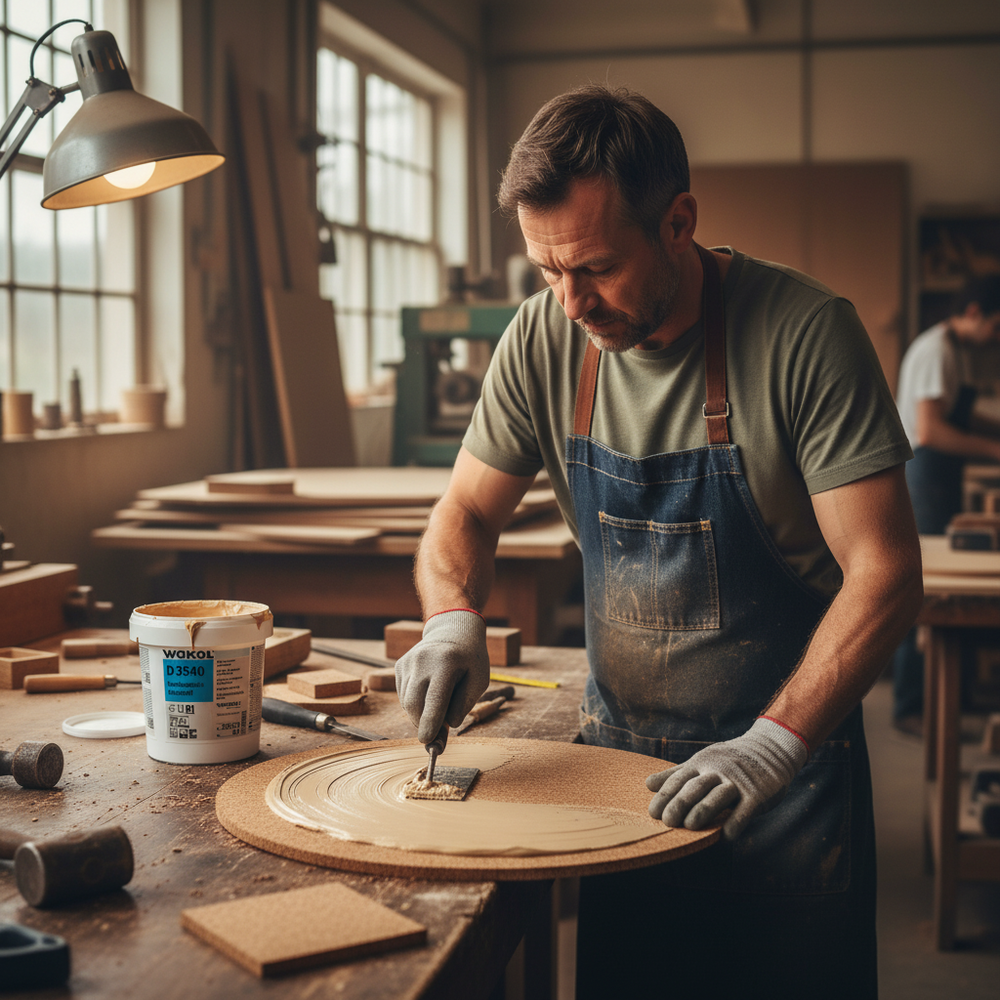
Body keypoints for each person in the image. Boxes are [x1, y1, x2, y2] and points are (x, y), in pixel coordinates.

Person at [395, 85, 922, 998]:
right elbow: (463, 516)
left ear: (679, 221)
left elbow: (885, 574)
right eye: (546, 270)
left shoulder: (804, 335)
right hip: (617, 784)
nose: (569, 301)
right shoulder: (542, 340)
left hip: (787, 783)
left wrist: (772, 744)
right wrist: (450, 620)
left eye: (594, 268)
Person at [891, 275, 1000, 733]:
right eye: (996, 325)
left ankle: (947, 695)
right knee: (925, 591)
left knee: (939, 586)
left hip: (941, 475)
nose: (996, 336)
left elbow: (961, 413)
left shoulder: (958, 351)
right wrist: (994, 450)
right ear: (974, 312)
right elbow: (932, 430)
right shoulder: (936, 350)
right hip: (924, 473)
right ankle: (911, 706)